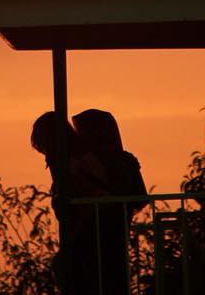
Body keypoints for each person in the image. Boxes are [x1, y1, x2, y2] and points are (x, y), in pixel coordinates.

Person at [71, 109, 147, 295]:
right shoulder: (125, 158)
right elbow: (141, 197)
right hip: (116, 225)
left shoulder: (93, 161)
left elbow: (138, 196)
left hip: (101, 228)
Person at [31, 111, 107, 295]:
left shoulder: (76, 158)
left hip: (94, 219)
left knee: (71, 267)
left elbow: (90, 190)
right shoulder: (69, 157)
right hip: (86, 220)